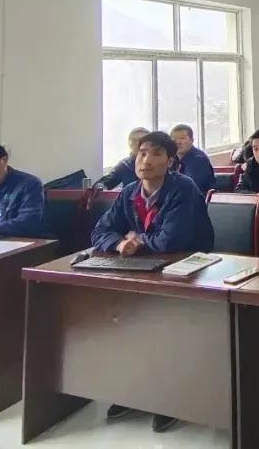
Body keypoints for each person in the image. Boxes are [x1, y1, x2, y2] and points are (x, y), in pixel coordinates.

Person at [92, 130, 214, 433]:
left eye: (156, 153)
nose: (145, 160)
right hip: (144, 267)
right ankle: (140, 392)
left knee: (167, 324)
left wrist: (136, 241)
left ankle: (174, 397)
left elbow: (170, 241)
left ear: (170, 161)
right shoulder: (129, 191)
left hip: (188, 271)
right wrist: (120, 243)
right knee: (129, 322)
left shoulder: (183, 188)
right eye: (142, 152)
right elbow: (99, 231)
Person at [170, 124, 215, 196]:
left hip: (195, 199)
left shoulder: (199, 160)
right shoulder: (172, 158)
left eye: (182, 138)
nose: (178, 142)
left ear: (192, 140)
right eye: (174, 139)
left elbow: (190, 188)